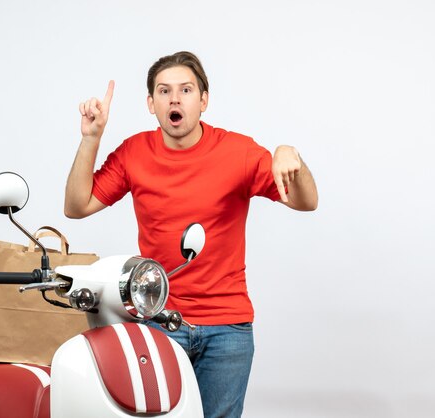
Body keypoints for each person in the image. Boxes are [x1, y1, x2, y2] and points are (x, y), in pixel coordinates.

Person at [64, 51, 318, 418]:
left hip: (227, 327)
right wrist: (92, 137)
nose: (175, 98)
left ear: (204, 100)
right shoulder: (134, 153)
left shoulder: (239, 152)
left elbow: (305, 202)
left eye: (186, 89)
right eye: (164, 91)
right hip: (158, 320)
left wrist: (290, 155)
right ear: (151, 104)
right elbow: (77, 206)